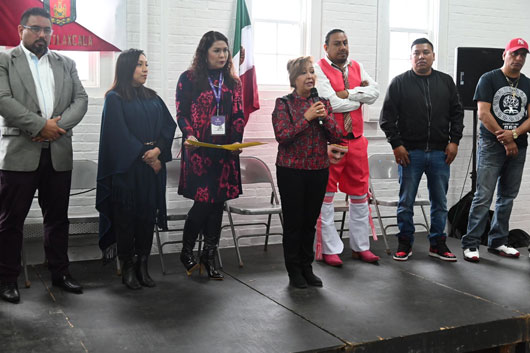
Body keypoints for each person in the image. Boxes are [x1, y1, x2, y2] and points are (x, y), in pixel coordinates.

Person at [0, 7, 88, 303]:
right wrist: (40, 126)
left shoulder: (66, 63)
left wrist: (55, 128)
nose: (42, 35)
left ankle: (60, 273)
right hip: (19, 154)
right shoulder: (4, 60)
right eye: (35, 29)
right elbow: (3, 100)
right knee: (11, 221)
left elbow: (81, 99)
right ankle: (6, 279)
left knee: (58, 219)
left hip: (59, 151)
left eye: (47, 30)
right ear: (20, 31)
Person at [96, 49, 176, 289]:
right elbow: (118, 135)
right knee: (126, 220)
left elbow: (168, 127)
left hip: (151, 170)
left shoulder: (153, 97)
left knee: (146, 218)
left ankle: (143, 265)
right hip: (127, 171)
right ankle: (128, 268)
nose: (145, 69)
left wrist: (159, 152)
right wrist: (147, 155)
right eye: (140, 65)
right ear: (126, 67)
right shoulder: (114, 98)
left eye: (146, 64)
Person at [379, 38, 464, 262]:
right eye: (416, 53)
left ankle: (438, 244)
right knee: (406, 202)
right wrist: (397, 145)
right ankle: (404, 244)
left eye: (426, 52)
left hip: (440, 153)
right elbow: (386, 119)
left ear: (433, 56)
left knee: (440, 202)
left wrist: (454, 141)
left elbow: (457, 114)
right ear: (411, 57)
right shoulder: (399, 83)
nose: (421, 56)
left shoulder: (446, 82)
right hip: (410, 153)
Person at [176, 31, 245, 280]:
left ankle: (208, 255)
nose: (223, 55)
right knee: (204, 201)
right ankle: (186, 250)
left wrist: (237, 139)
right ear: (204, 52)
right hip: (199, 150)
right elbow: (181, 113)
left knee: (218, 203)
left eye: (225, 51)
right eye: (217, 50)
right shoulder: (189, 78)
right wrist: (189, 134)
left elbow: (238, 114)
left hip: (225, 152)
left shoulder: (233, 82)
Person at [272, 56, 342, 288]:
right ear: (294, 78)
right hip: (291, 171)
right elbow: (283, 135)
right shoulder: (283, 103)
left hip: (318, 170)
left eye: (312, 72)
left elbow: (336, 137)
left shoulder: (323, 103)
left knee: (309, 222)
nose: (310, 76)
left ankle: (307, 267)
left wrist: (325, 118)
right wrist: (306, 118)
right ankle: (294, 271)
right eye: (304, 72)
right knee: (294, 222)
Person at [314, 29, 380, 267]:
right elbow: (331, 103)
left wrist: (349, 93)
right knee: (327, 197)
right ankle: (329, 249)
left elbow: (375, 93)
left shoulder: (357, 66)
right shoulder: (318, 68)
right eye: (337, 44)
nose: (342, 47)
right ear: (326, 47)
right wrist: (358, 97)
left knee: (360, 196)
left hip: (358, 140)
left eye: (345, 42)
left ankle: (361, 247)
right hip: (333, 142)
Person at [461, 38, 530, 262]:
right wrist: (506, 139)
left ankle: (498, 241)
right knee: (483, 196)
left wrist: (516, 135)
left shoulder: (528, 83)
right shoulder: (489, 79)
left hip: (518, 145)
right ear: (505, 54)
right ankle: (471, 244)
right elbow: (483, 113)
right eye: (515, 54)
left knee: (507, 196)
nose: (518, 59)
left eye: (523, 55)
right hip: (492, 145)